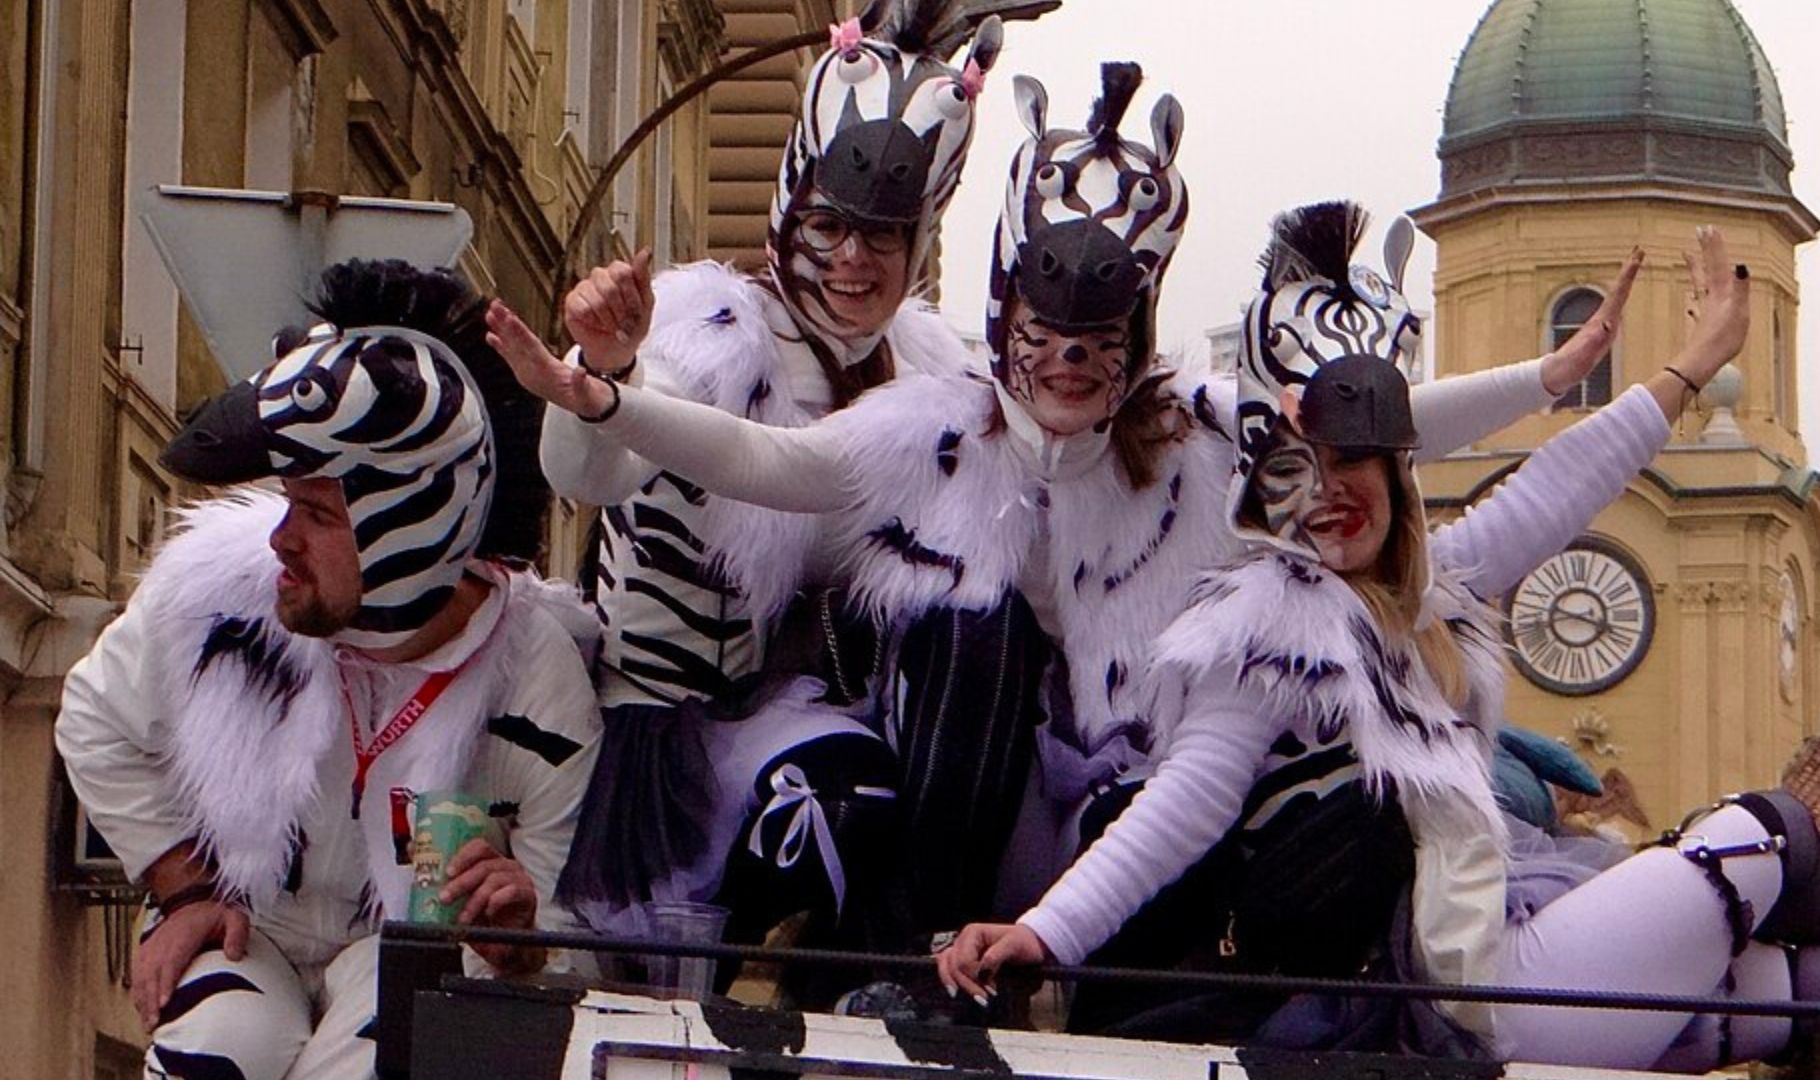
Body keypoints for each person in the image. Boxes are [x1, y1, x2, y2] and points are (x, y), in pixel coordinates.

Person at [490, 69, 1629, 960]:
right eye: (1044, 341)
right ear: (1004, 324)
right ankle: (906, 945)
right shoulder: (931, 425)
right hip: (963, 789)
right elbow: (766, 460)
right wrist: (601, 394)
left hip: (1123, 797)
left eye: (1098, 348)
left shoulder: (1193, 433)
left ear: (1134, 349)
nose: (1069, 371)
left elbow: (1366, 426)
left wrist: (1549, 379)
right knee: (964, 630)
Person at [935, 206, 1820, 1071]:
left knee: (1819, 990)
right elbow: (1182, 803)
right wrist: (1045, 932)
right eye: (1304, 468)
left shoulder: (1434, 595)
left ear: (1401, 480)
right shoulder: (1264, 630)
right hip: (1480, 993)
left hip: (1518, 934)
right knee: (1771, 830)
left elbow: (1562, 484)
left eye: (1359, 463)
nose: (1332, 490)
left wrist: (1681, 370)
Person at [541, 2, 1014, 953]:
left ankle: (862, 972)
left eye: (884, 236)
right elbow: (589, 472)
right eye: (833, 225)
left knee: (887, 757)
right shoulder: (708, 336)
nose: (853, 260)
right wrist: (607, 379)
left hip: (804, 740)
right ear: (791, 208)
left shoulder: (931, 379)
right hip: (653, 746)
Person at [57, 261, 602, 1080]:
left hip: (407, 949)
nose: (280, 539)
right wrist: (183, 885)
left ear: (406, 525)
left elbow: (577, 938)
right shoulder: (220, 597)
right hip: (254, 924)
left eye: (316, 514)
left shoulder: (540, 682)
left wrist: (519, 937)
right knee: (213, 1052)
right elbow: (92, 720)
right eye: (286, 504)